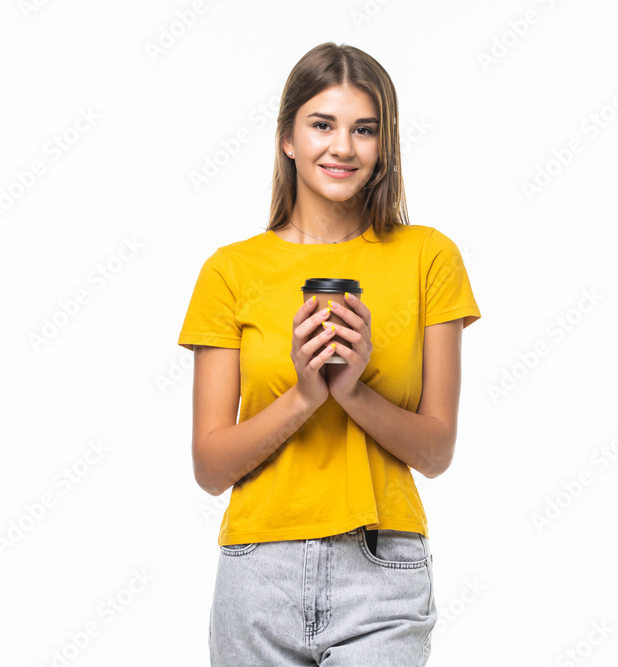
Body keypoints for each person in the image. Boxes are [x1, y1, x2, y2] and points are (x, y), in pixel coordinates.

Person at [177, 41, 481, 666]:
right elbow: (210, 468)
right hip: (258, 573)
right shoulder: (231, 271)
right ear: (288, 137)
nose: (343, 147)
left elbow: (437, 451)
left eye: (364, 130)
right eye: (322, 124)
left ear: (384, 145)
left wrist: (351, 389)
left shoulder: (429, 258)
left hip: (382, 569)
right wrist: (306, 394)